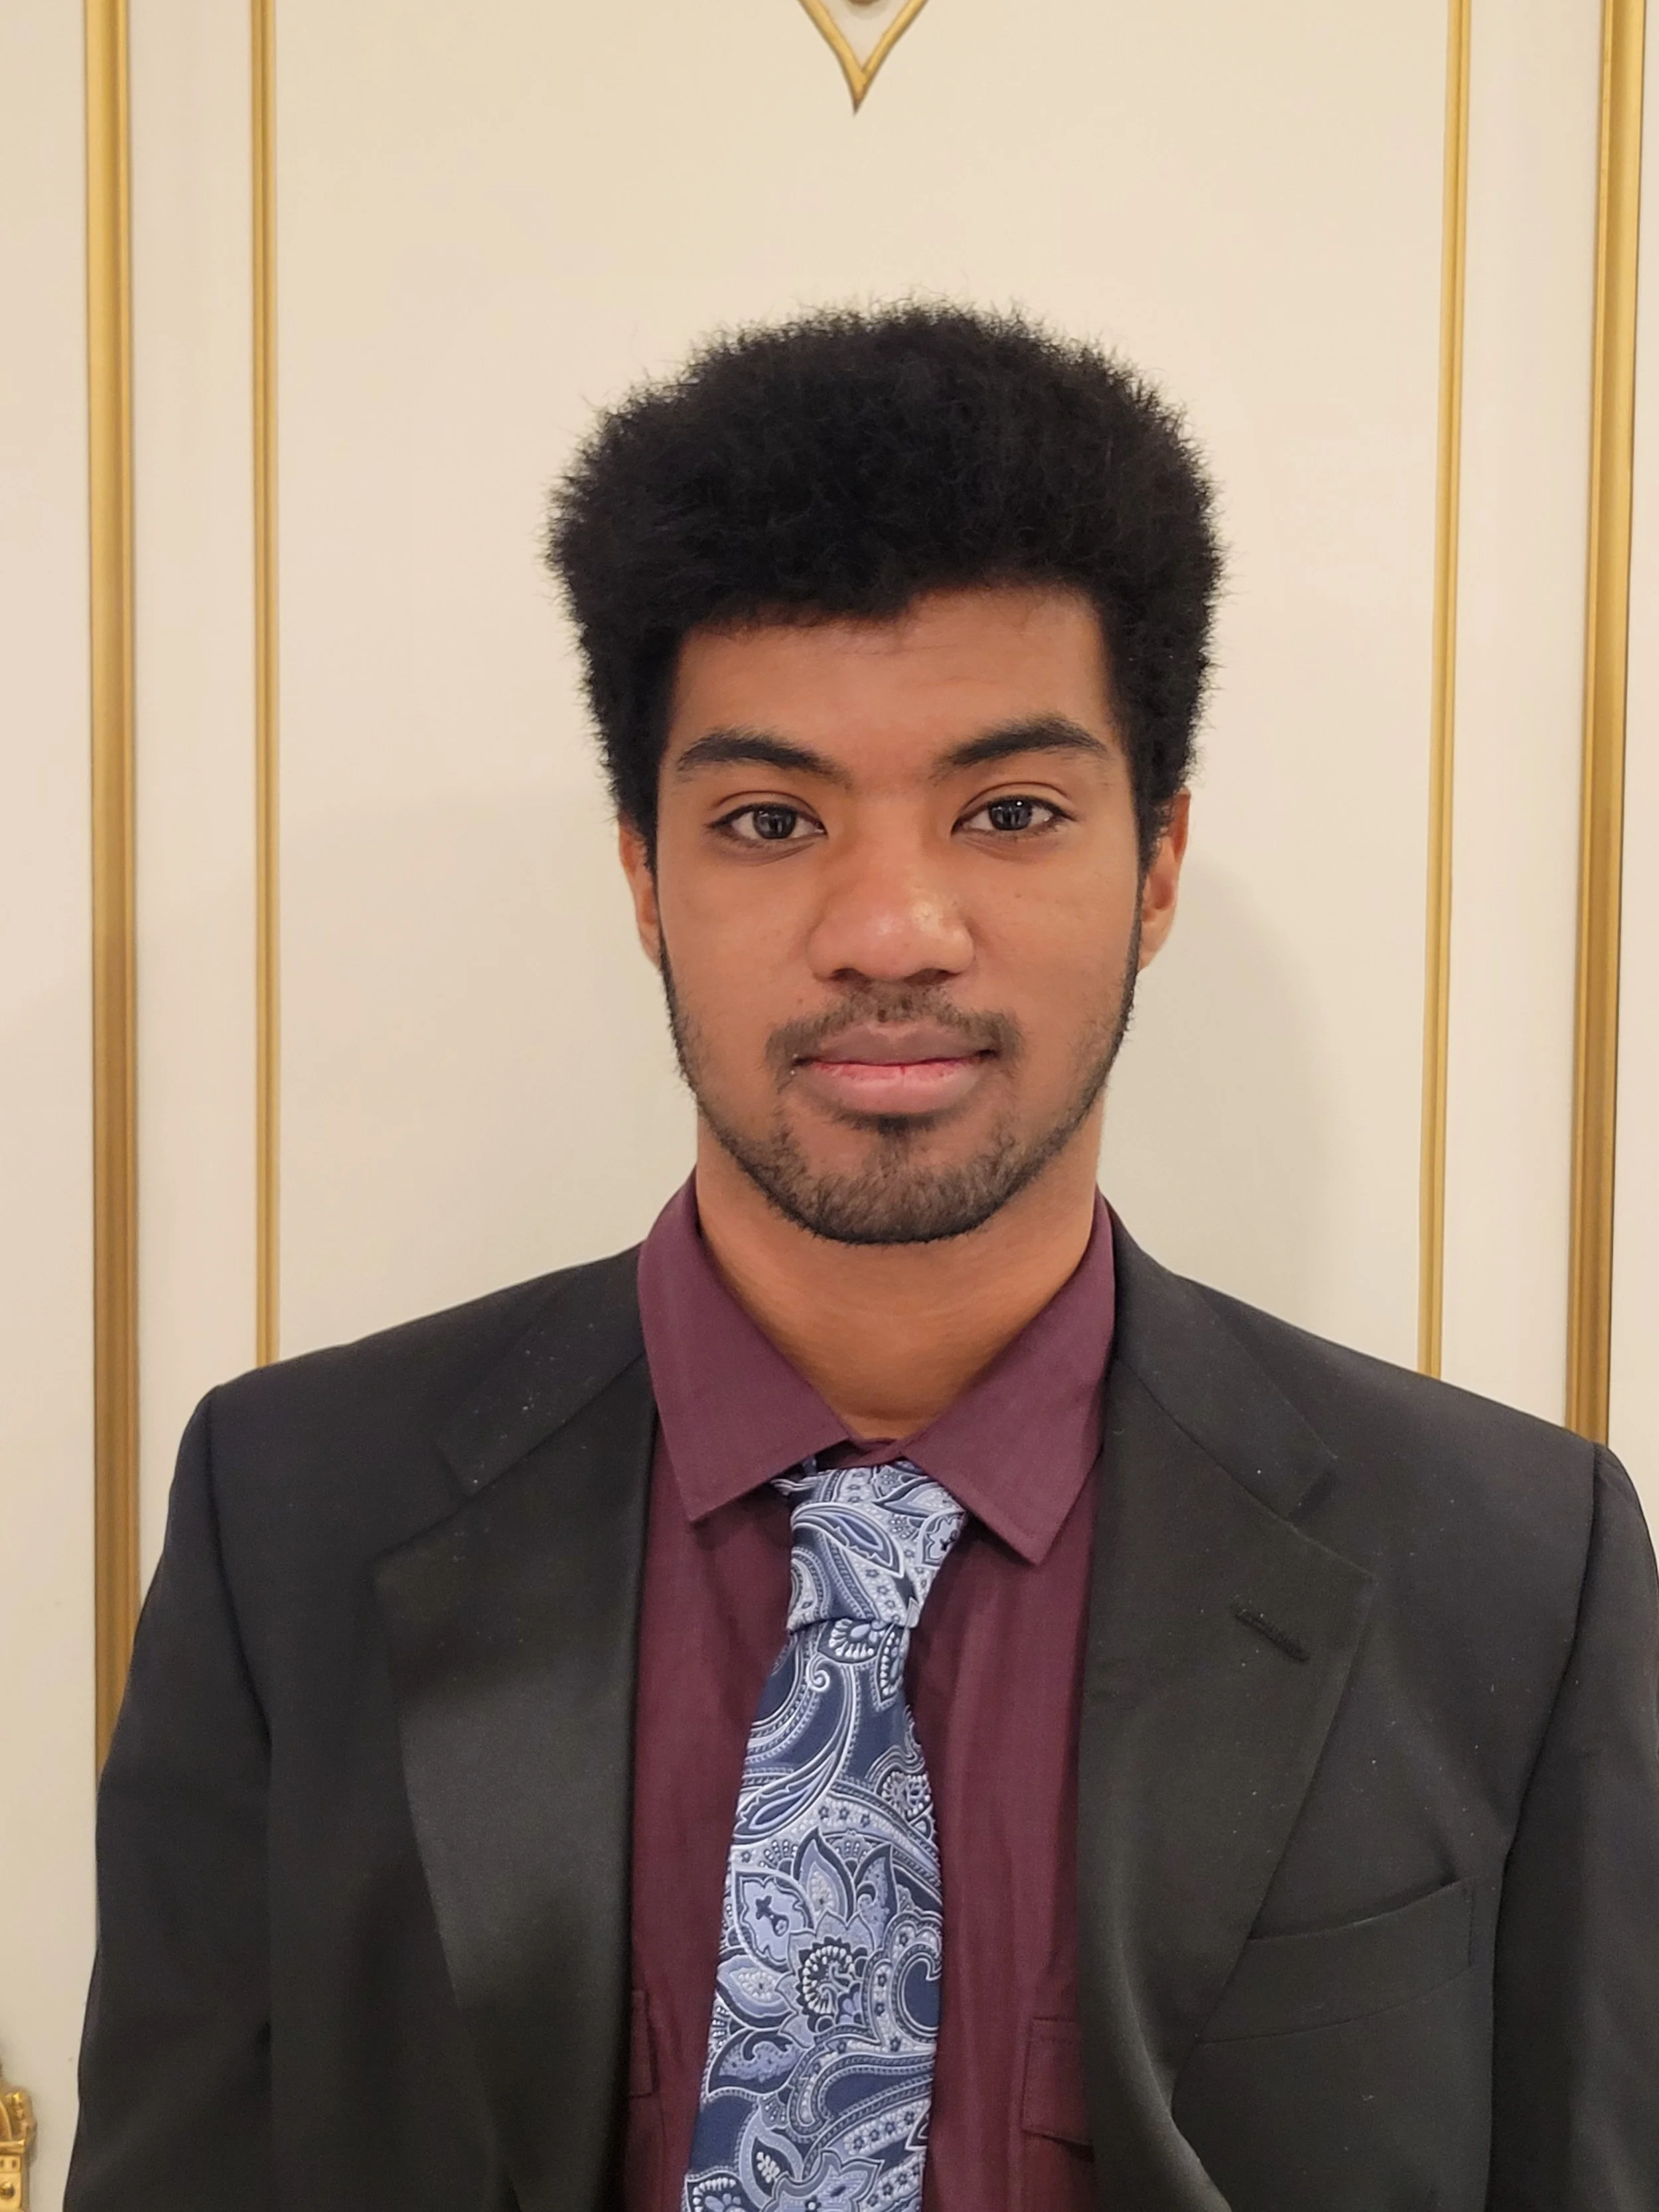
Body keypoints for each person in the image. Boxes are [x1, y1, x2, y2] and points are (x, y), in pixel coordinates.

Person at [68, 305, 1659, 2212]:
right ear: (646, 877)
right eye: (766, 818)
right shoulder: (293, 1509)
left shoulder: (1508, 1558)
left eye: (1006, 812)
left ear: (1154, 865)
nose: (891, 928)